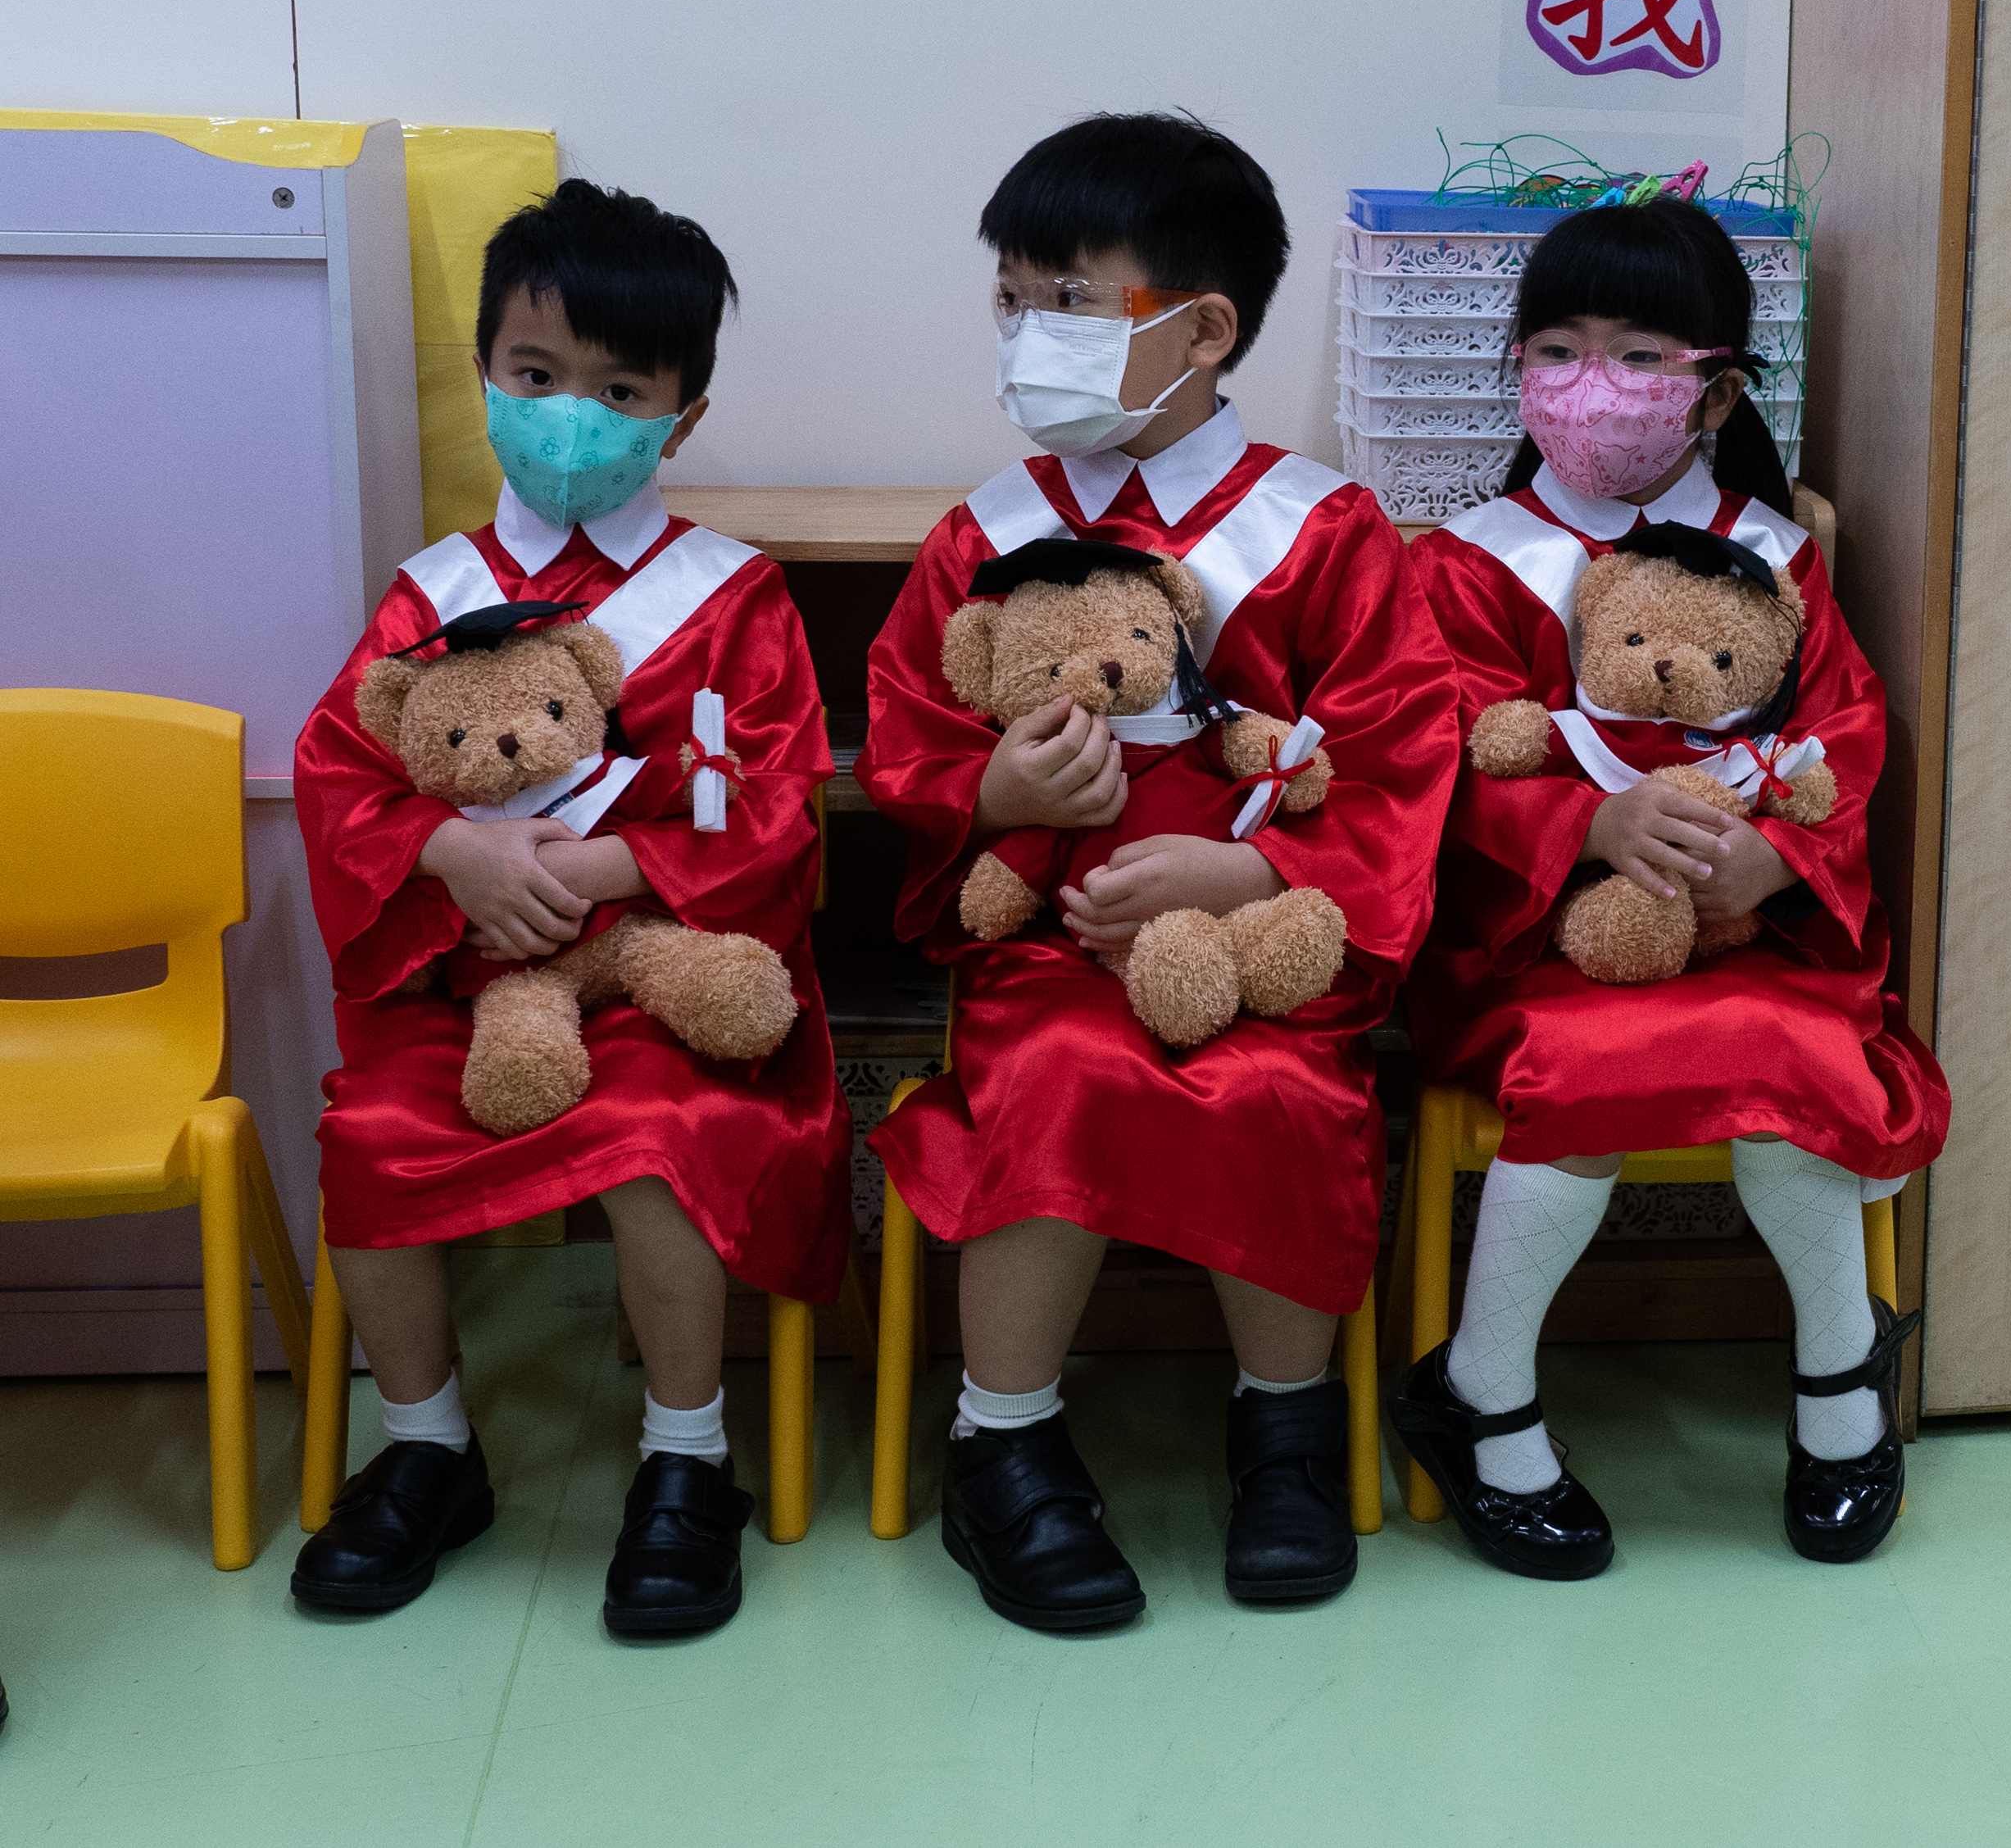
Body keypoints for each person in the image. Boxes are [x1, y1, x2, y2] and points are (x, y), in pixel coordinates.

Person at [860, 112, 1455, 1629]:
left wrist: (1250, 876)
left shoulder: (1323, 532)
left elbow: (1396, 760)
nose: (1028, 334)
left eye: (1070, 300)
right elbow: (912, 736)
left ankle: (1285, 1429)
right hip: (1050, 945)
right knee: (1059, 1069)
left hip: (1261, 946)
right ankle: (1001, 1442)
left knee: (1277, 1090)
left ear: (1204, 329)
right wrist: (992, 791)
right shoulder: (984, 536)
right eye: (1012, 299)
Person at [290, 181, 847, 1635]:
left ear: (682, 416)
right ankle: (428, 1448)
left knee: (661, 1135)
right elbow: (340, 773)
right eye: (534, 377)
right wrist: (447, 855)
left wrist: (606, 870)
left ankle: (686, 1459)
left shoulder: (732, 600)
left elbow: (779, 808)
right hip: (458, 972)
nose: (568, 416)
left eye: (619, 391)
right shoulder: (429, 595)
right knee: (368, 1132)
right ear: (485, 373)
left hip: (658, 976)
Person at [1397, 194, 1952, 1576]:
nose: (1593, 382)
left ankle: (1841, 1377)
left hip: (1751, 932)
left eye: (1639, 353)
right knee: (1585, 1064)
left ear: (1714, 392)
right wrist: (1589, 827)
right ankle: (1481, 1391)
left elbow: (1844, 737)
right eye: (1559, 347)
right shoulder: (1469, 563)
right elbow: (1445, 758)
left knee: (1791, 1050)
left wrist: (1778, 856)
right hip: (1553, 950)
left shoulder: (1778, 556)